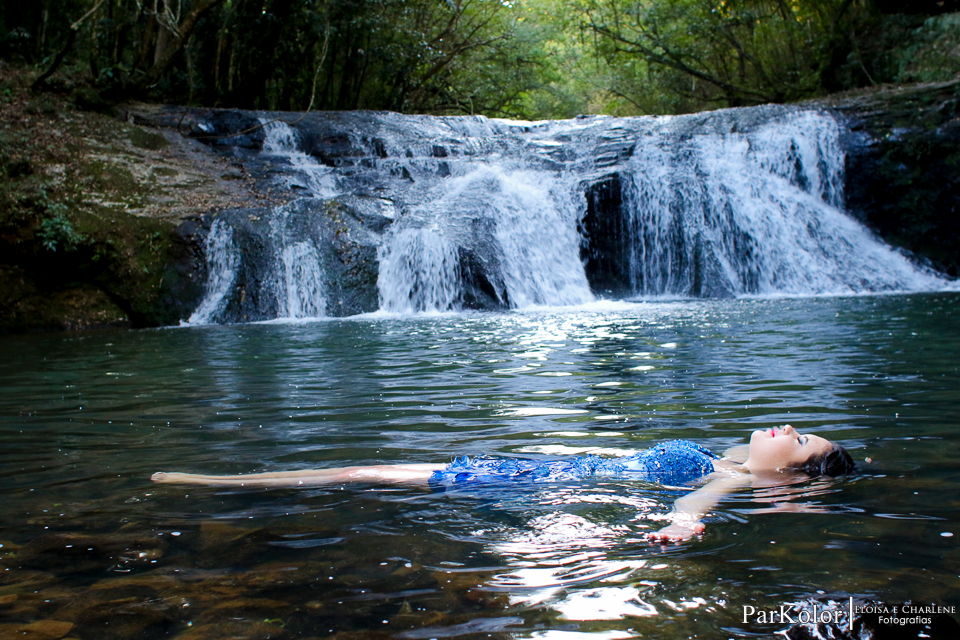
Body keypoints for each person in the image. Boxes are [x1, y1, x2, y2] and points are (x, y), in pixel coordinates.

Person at [151, 424, 854, 542]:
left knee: (367, 470)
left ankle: (220, 483)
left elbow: (693, 500)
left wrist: (683, 522)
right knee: (373, 470)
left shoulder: (724, 479)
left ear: (785, 477)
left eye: (799, 441)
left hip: (536, 482)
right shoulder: (726, 454)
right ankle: (232, 483)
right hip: (551, 472)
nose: (786, 428)